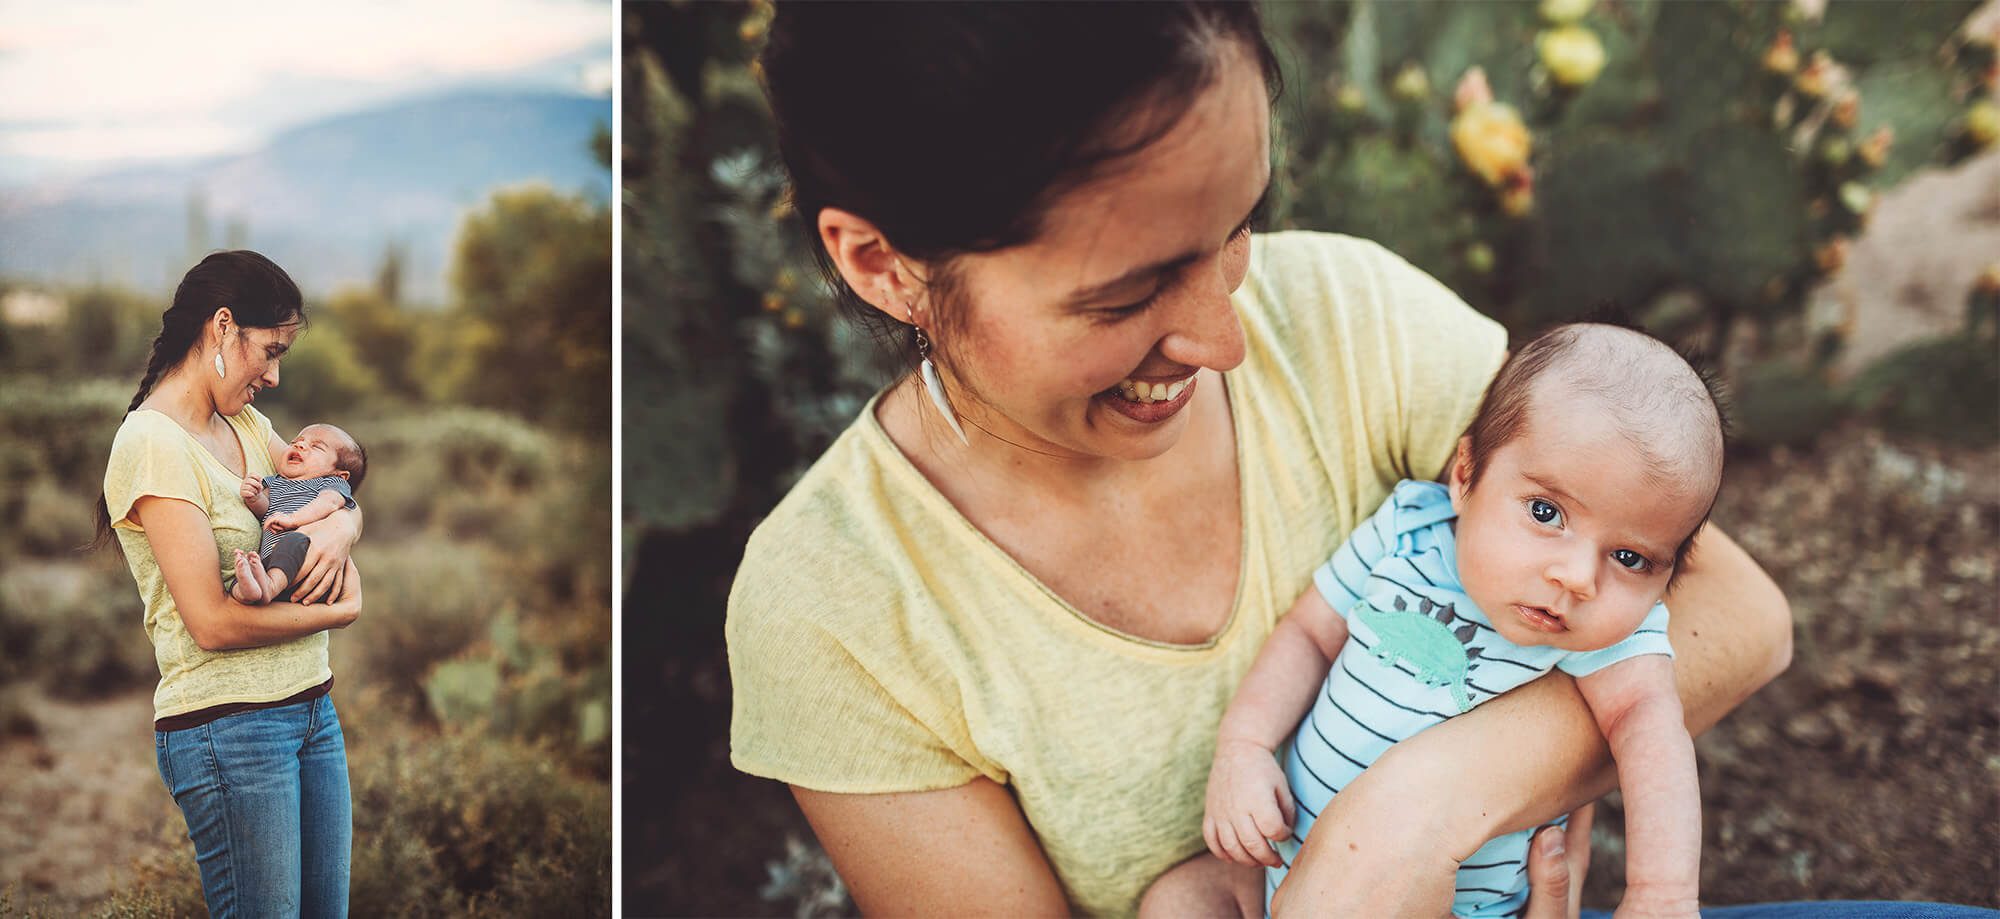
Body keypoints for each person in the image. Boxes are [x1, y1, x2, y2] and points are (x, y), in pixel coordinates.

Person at [723, 4, 1792, 916]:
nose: (1224, 340)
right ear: (882, 265)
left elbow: (1736, 617)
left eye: (1237, 227)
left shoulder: (1346, 314)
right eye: (1127, 292)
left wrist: (1418, 805)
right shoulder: (833, 609)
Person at [1195, 324, 1719, 918]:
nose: (1578, 577)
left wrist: (1662, 894)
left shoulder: (1616, 635)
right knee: (1177, 901)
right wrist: (1245, 745)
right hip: (1279, 865)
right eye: (1547, 513)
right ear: (1465, 476)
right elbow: (1309, 635)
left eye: (1630, 558)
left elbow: (1654, 736)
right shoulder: (1406, 531)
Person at [97, 250, 364, 917]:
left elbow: (336, 488)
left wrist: (345, 528)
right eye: (269, 352)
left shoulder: (245, 423)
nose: (274, 376)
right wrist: (339, 611)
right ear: (221, 327)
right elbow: (212, 624)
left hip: (312, 709)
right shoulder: (153, 443)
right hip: (232, 730)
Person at [231, 424, 368, 605]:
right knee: (244, 569)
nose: (300, 445)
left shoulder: (331, 483)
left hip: (310, 568)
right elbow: (267, 512)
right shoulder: (276, 482)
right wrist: (254, 497)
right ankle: (246, 592)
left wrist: (294, 519)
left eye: (317, 446)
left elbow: (329, 502)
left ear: (340, 474)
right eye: (296, 442)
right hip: (273, 562)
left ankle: (270, 587)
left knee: (295, 540)